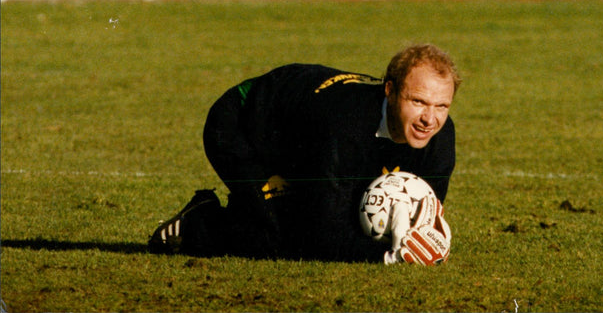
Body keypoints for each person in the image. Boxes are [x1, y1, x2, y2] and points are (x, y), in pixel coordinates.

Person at [148, 44, 459, 265]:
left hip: (301, 138)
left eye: (441, 105)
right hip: (243, 124)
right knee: (284, 236)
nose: (429, 119)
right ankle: (197, 223)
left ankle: (245, 208)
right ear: (389, 90)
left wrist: (427, 239)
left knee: (324, 213)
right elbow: (324, 235)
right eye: (418, 101)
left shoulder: (439, 137)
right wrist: (388, 257)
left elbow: (426, 213)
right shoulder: (344, 125)